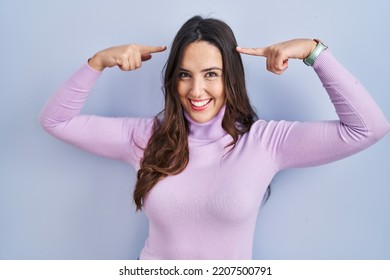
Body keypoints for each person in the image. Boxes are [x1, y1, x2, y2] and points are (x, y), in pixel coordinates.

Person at [39, 15, 389, 259]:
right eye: (185, 75)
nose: (197, 89)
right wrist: (96, 62)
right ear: (172, 80)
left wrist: (315, 52)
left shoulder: (265, 142)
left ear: (230, 79)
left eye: (211, 74)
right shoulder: (145, 137)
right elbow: (56, 121)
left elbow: (368, 128)